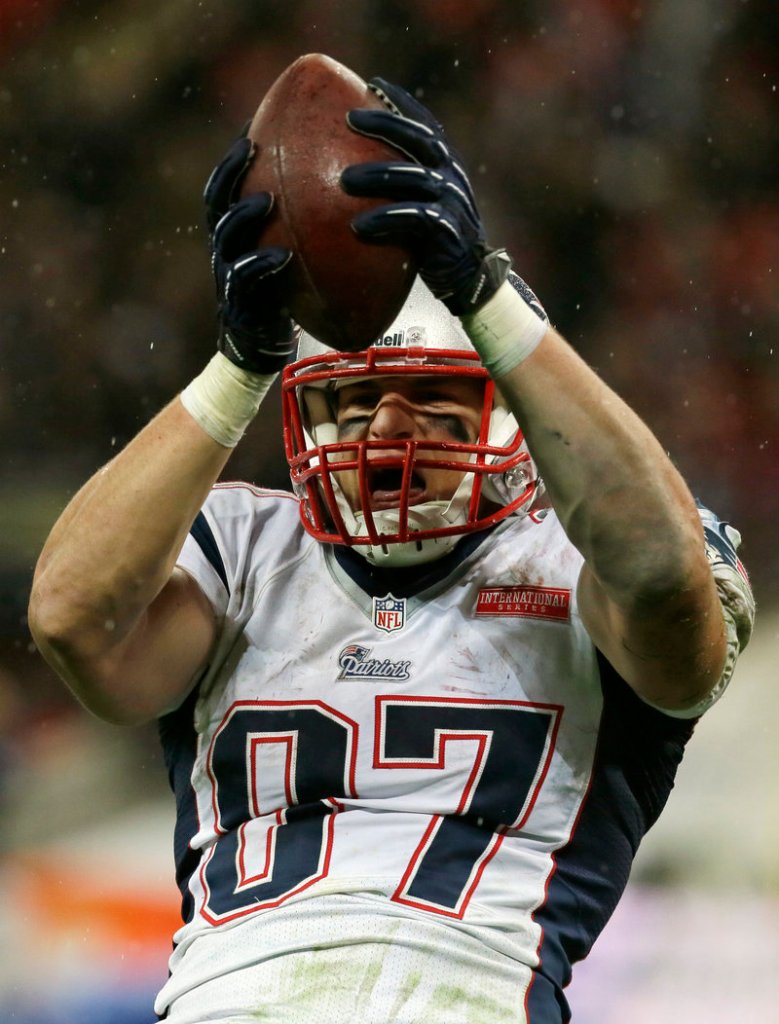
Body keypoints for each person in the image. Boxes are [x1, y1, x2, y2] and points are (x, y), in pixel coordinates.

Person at [28, 77, 754, 1024]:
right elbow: (71, 618)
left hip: (469, 995)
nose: (386, 428)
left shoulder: (593, 554)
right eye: (352, 400)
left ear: (512, 413)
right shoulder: (242, 544)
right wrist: (240, 362)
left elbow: (662, 586)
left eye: (431, 397)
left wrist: (487, 299)